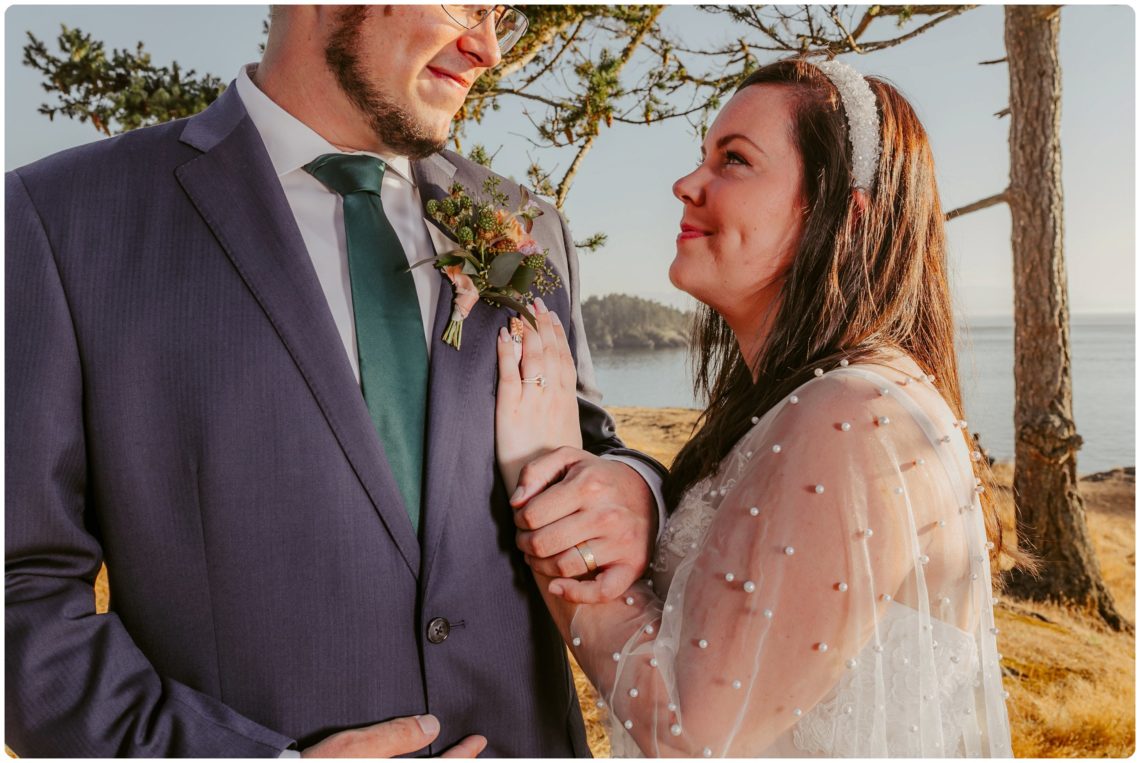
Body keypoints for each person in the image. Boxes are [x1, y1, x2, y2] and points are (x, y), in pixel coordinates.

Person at [6, 6, 667, 757]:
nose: (486, 48)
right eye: (465, 5)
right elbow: (18, 592)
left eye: (502, 14)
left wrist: (635, 491)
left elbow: (594, 448)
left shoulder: (523, 223)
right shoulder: (62, 220)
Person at [496, 57, 1015, 756]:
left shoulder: (853, 415)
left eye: (734, 160)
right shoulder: (826, 399)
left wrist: (545, 483)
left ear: (843, 216)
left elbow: (690, 734)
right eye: (702, 157)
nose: (686, 184)